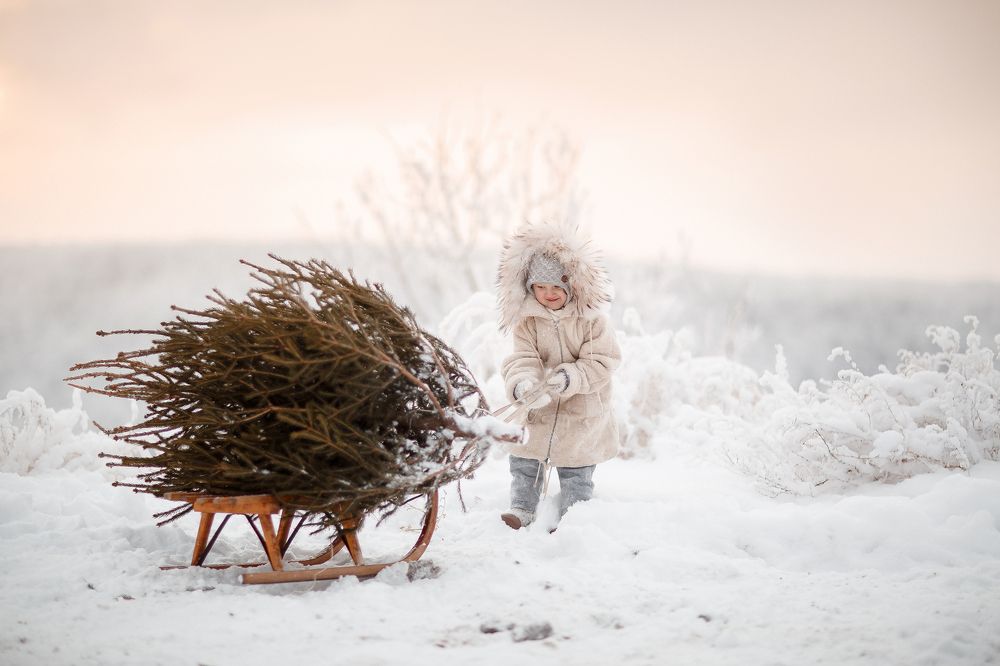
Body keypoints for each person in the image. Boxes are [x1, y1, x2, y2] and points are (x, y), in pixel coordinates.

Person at [496, 221, 621, 529]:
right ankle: (522, 508)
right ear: (530, 287)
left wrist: (570, 377)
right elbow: (522, 357)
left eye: (556, 287)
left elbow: (603, 361)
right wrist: (524, 382)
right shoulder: (527, 322)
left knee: (576, 463)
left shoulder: (592, 321)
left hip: (582, 408)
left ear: (571, 286)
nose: (548, 294)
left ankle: (574, 515)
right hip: (542, 405)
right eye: (541, 287)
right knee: (525, 456)